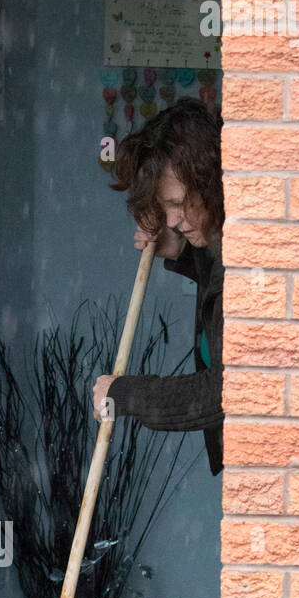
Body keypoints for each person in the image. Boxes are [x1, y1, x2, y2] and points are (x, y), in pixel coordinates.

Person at [92, 98, 225, 475]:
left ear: (211, 185)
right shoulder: (222, 241)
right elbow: (217, 276)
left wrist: (126, 394)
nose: (171, 219)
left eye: (179, 204)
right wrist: (178, 252)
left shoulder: (246, 256)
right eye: (164, 206)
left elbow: (223, 392)